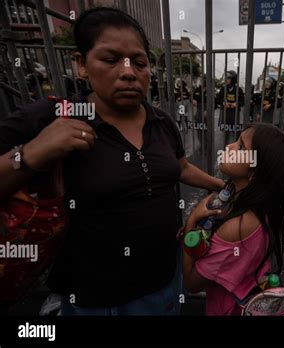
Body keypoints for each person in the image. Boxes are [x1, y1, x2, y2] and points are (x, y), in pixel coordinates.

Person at [0, 7, 225, 315]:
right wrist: (29, 155)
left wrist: (224, 187)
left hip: (164, 285)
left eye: (140, 62)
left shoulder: (162, 121)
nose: (129, 72)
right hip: (95, 298)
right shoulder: (47, 118)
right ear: (81, 64)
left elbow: (180, 166)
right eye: (110, 59)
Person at [181, 124, 284, 315]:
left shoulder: (237, 227)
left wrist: (192, 220)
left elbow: (191, 283)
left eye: (241, 147)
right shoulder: (262, 207)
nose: (229, 147)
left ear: (255, 172)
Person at [216, 71, 244, 142]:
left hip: (235, 115)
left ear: (233, 79)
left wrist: (236, 104)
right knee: (226, 134)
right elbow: (217, 99)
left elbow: (243, 101)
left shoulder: (239, 90)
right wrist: (223, 102)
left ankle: (235, 149)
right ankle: (226, 148)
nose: (226, 79)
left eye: (228, 78)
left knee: (236, 134)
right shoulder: (223, 89)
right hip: (225, 114)